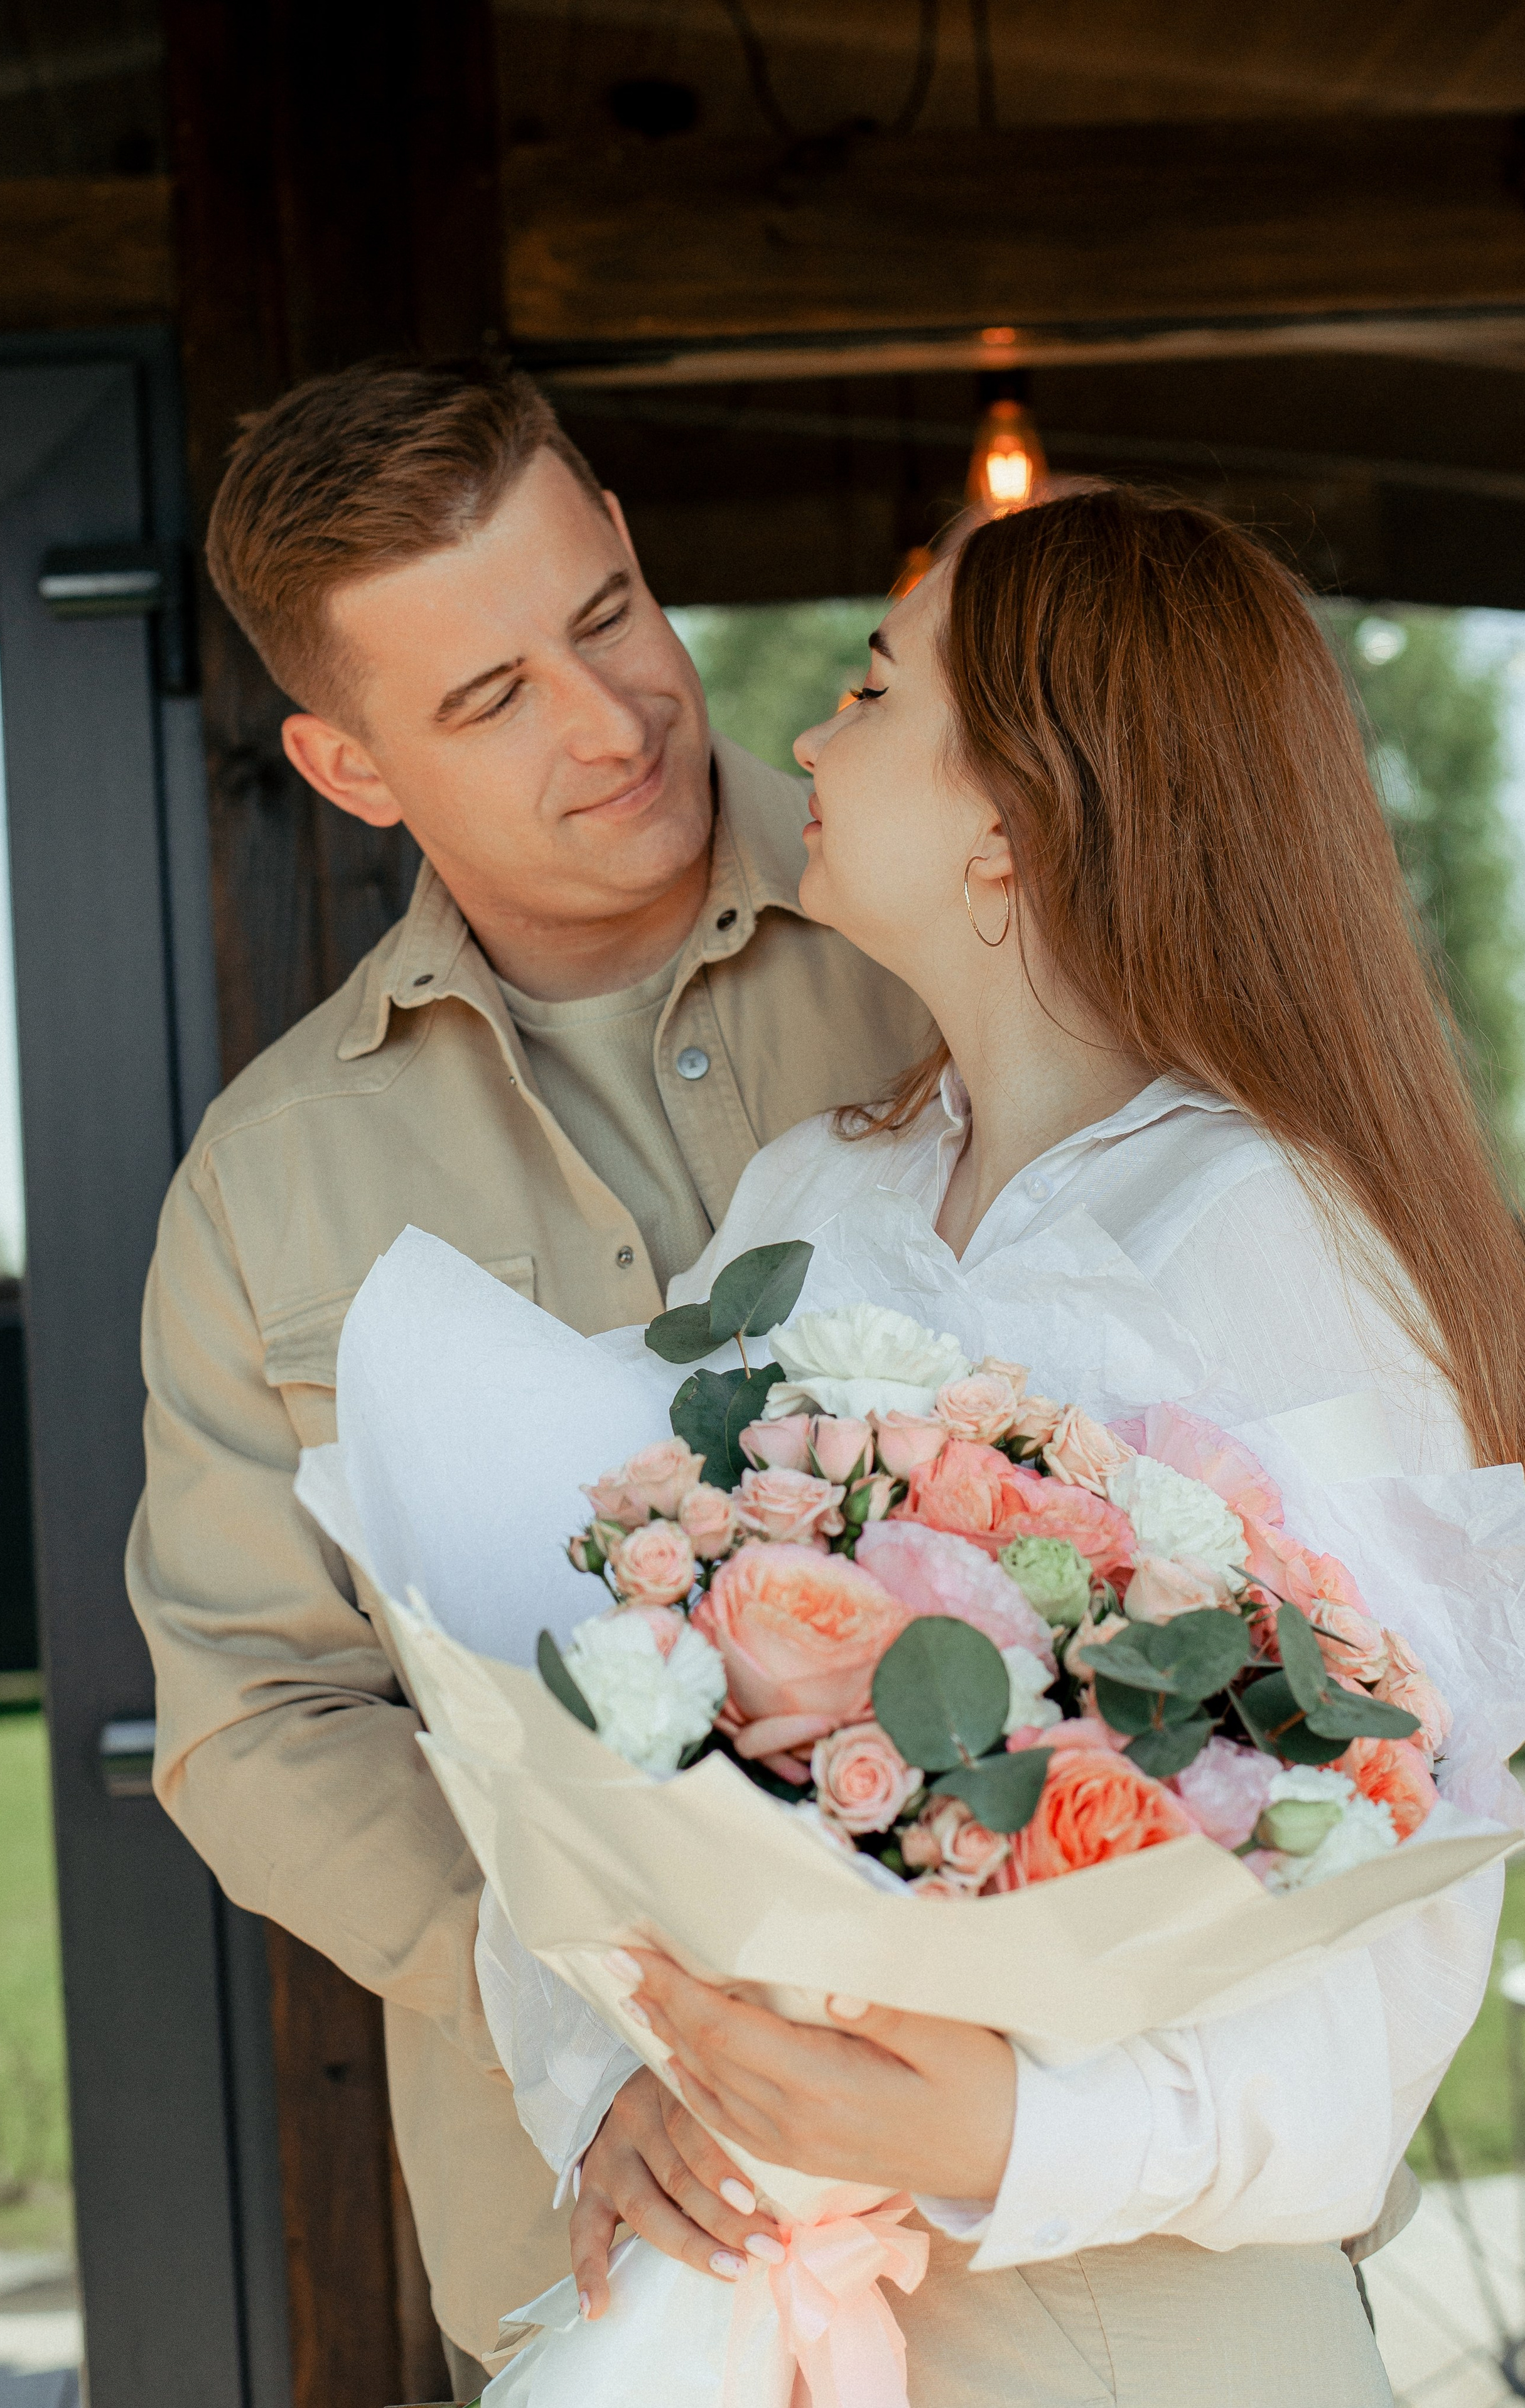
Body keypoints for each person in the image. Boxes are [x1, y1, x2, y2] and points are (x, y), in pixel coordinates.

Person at [557, 489, 1525, 2402]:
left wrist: (1013, 2130)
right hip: (779, 2283)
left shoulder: (1277, 1239)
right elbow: (592, 1693)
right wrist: (617, 2083)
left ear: (1012, 812)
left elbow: (1394, 1945)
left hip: (1136, 2317)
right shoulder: (804, 1203)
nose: (811, 741)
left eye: (870, 686)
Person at [124, 359, 931, 2383]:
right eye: (490, 700)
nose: (614, 717)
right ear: (347, 766)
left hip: (1078, 2189)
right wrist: (601, 2016)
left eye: (610, 613)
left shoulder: (967, 921)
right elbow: (250, 1714)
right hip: (612, 2239)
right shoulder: (263, 1186)